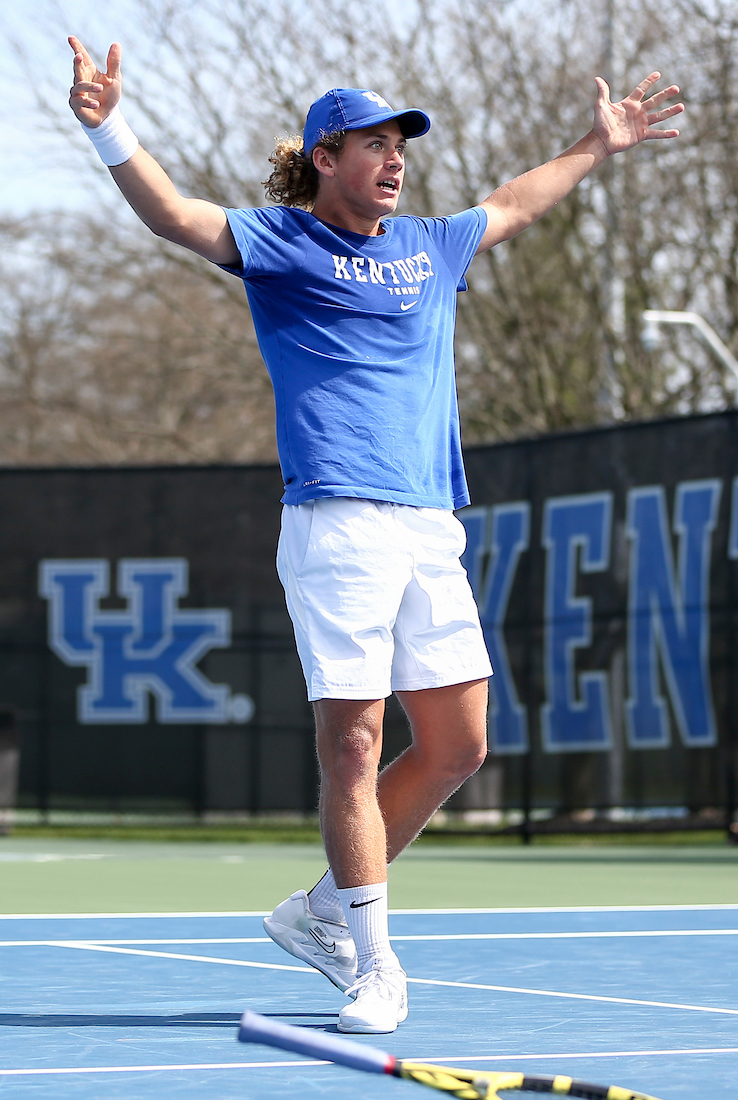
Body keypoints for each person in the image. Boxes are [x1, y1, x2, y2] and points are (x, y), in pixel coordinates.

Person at [68, 37, 683, 1035]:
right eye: (372, 144)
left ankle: (317, 912)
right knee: (352, 746)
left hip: (428, 524)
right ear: (325, 158)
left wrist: (596, 143)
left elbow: (517, 200)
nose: (394, 158)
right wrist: (107, 126)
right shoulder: (280, 244)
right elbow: (175, 216)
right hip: (335, 525)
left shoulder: (431, 247)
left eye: (401, 144)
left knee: (457, 747)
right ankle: (374, 962)